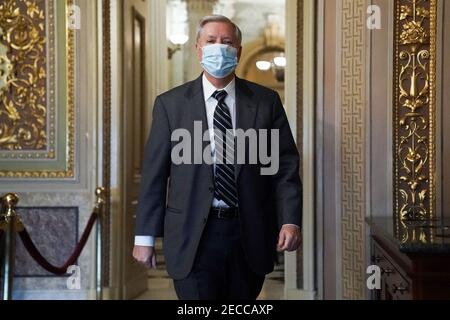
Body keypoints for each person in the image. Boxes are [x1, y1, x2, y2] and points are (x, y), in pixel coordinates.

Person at [133, 15, 302, 300]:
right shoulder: (170, 104)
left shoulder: (265, 102)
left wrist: (290, 220)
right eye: (211, 41)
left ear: (239, 50)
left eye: (227, 42)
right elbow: (155, 175)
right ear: (198, 49)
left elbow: (284, 167)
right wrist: (144, 236)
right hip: (191, 234)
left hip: (249, 232)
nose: (219, 48)